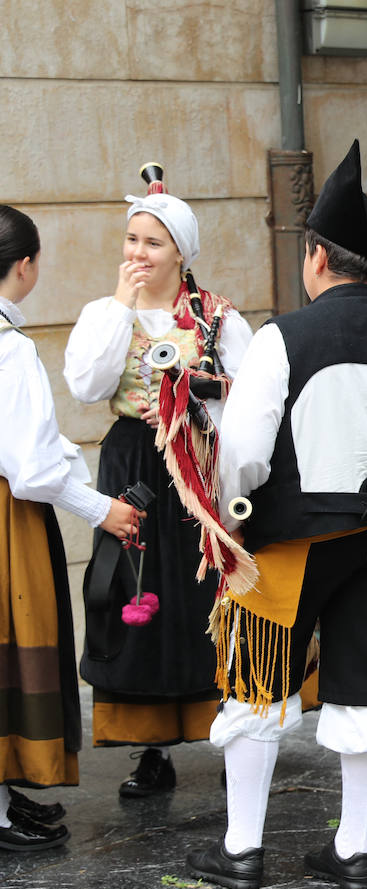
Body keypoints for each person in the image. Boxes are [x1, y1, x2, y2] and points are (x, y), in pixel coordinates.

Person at [185, 140, 367, 889]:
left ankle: (242, 850)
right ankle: (354, 851)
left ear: (316, 256)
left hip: (290, 539)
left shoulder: (283, 337)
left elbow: (242, 455)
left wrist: (228, 519)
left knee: (258, 682)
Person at [64, 181, 251, 797]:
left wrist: (190, 409)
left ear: (182, 252)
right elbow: (88, 386)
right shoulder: (104, 311)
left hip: (198, 468)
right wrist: (122, 302)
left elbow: (249, 403)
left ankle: (232, 733)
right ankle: (150, 748)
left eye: (153, 241)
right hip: (133, 468)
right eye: (131, 238)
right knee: (135, 590)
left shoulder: (219, 318)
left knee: (206, 597)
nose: (138, 251)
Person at [0, 206, 144, 851]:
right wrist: (99, 507)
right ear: (24, 266)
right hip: (9, 518)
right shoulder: (9, 349)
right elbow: (30, 469)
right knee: (12, 643)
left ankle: (3, 794)